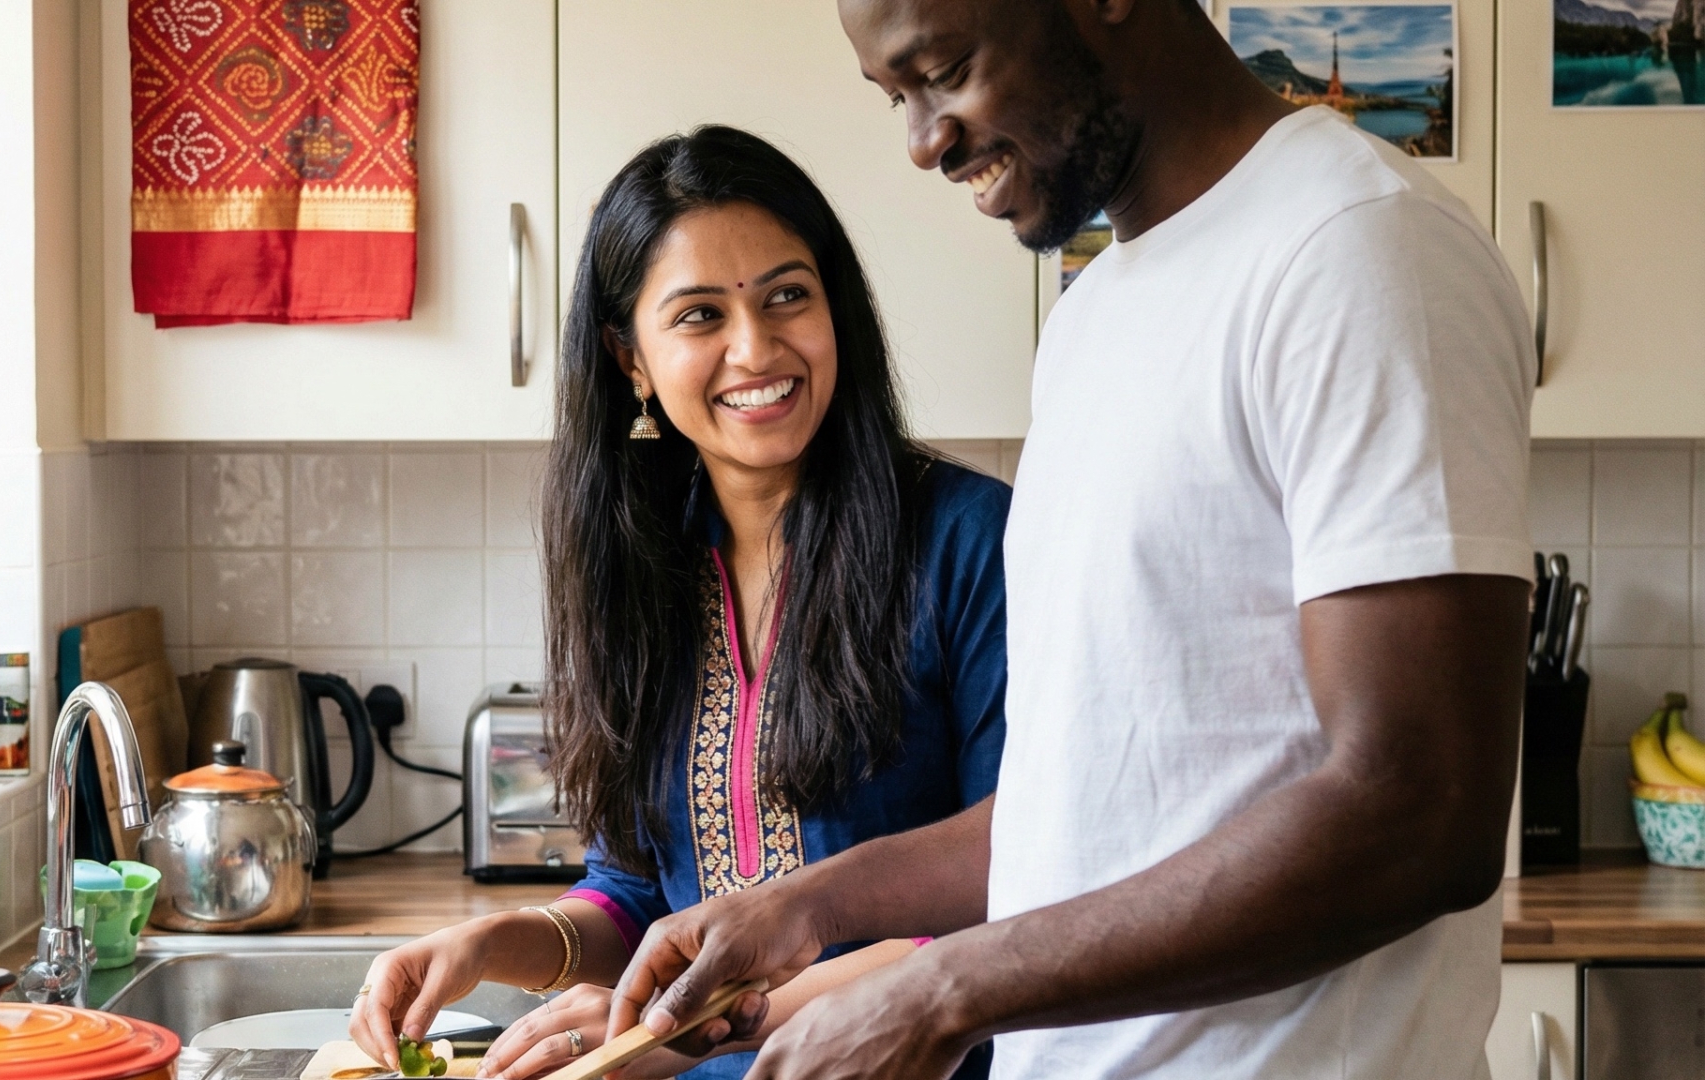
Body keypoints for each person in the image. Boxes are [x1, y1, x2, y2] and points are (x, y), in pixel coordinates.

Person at [605, 2, 1536, 1079]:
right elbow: (1074, 814)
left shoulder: (1358, 252)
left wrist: (943, 990)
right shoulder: (1097, 315)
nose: (923, 141)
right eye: (895, 98)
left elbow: (1420, 812)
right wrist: (804, 905)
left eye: (944, 71)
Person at [348, 125, 1010, 1080]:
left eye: (789, 295)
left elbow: (1024, 874)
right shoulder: (640, 564)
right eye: (700, 315)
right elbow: (636, 896)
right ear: (631, 359)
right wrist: (496, 941)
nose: (756, 347)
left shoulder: (968, 542)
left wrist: (708, 1023)